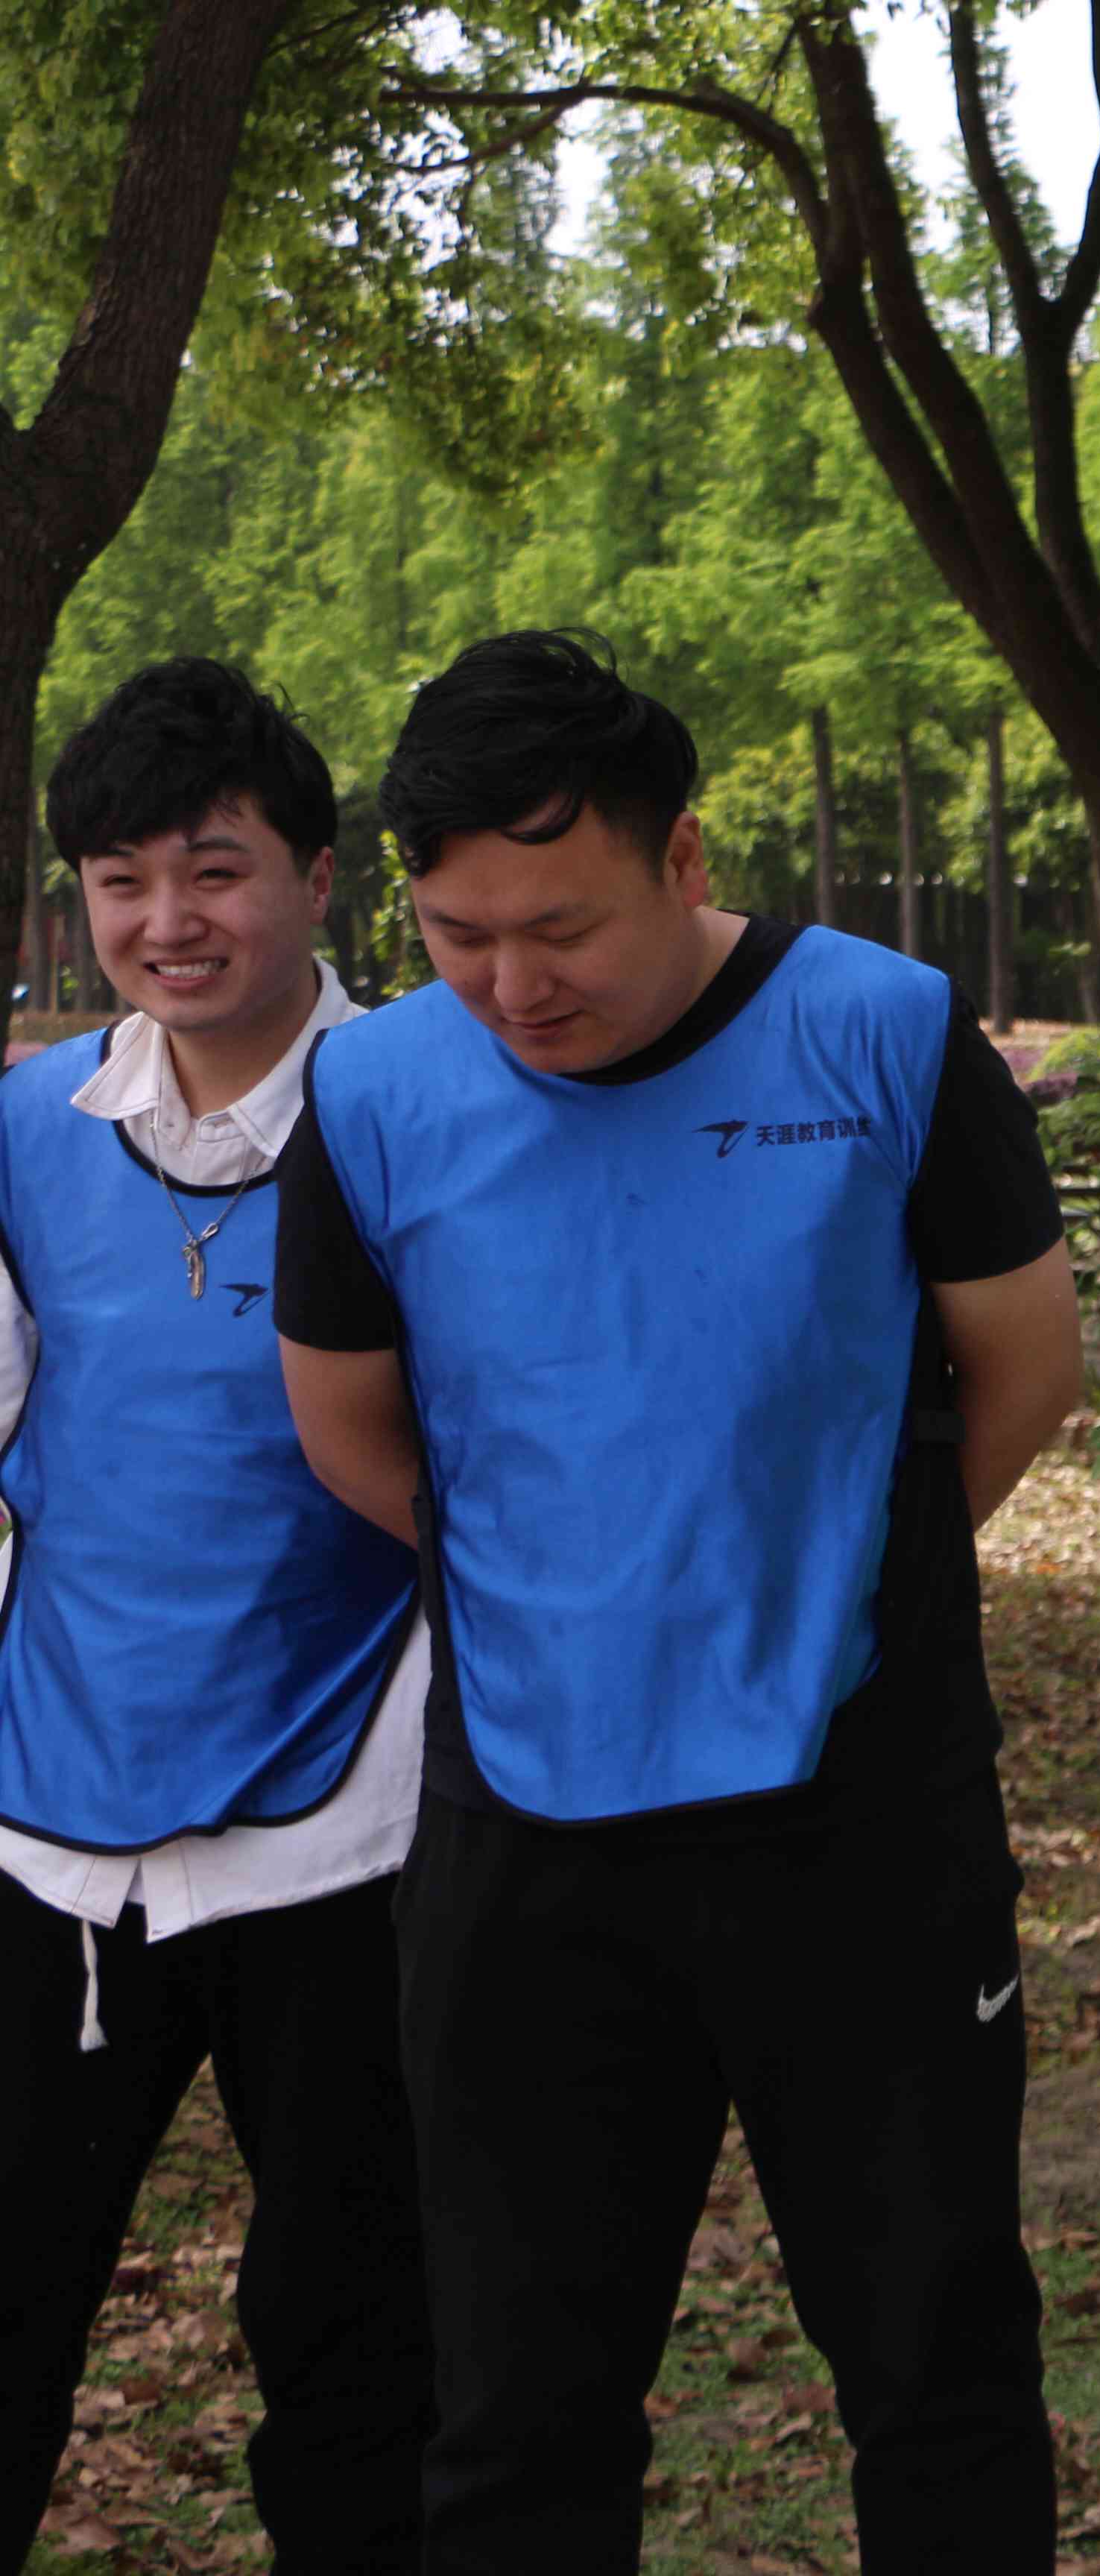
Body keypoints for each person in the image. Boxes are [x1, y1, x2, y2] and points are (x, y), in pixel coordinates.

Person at [274, 629, 1081, 2572]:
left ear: (687, 857)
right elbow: (351, 1432)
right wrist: (579, 1580)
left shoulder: (883, 1031)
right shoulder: (372, 1091)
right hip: (524, 1845)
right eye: (459, 936)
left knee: (939, 2372)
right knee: (515, 2411)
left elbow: (1025, 1374)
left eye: (561, 927)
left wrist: (804, 1559)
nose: (513, 984)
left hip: (861, 1825)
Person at [0, 660, 433, 2569]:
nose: (166, 921)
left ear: (318, 879)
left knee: (358, 2340)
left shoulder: (431, 1111)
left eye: (213, 869)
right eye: (121, 881)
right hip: (48, 1829)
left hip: (351, 1831)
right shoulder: (25, 1130)